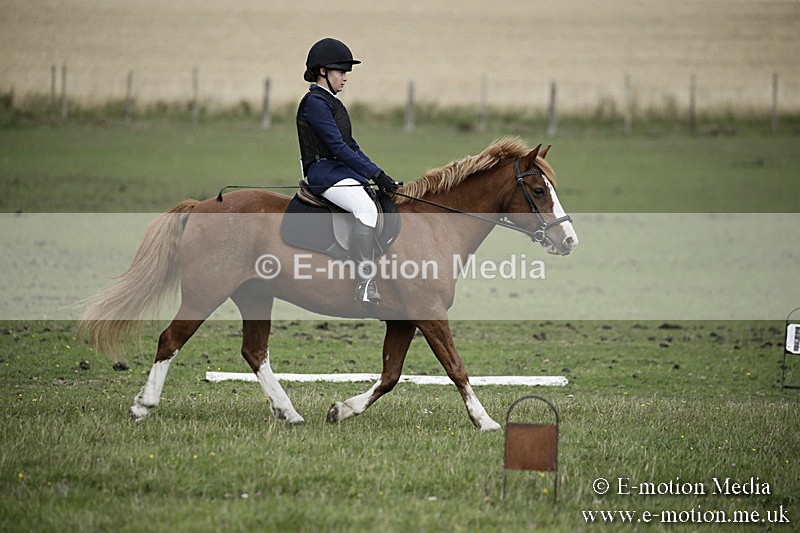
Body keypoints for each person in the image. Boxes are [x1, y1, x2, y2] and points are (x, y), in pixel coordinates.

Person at [296, 37, 401, 305]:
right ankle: (364, 284)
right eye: (341, 72)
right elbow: (338, 147)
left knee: (374, 200)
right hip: (324, 173)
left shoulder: (332, 102)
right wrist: (375, 175)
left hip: (340, 170)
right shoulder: (315, 103)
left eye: (346, 73)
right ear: (323, 71)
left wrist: (380, 174)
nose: (345, 78)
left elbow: (352, 146)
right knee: (365, 209)